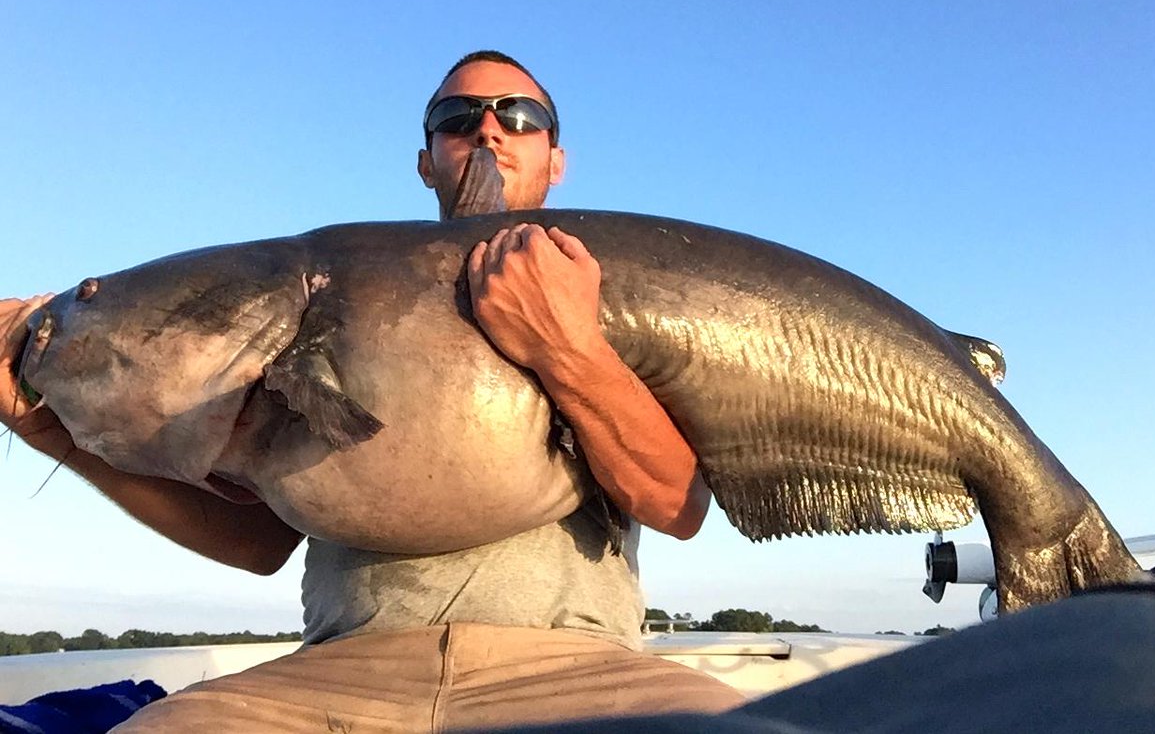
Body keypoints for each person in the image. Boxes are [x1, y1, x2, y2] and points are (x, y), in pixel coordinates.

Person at [0, 50, 745, 731]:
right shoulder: (327, 300)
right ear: (427, 162)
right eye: (458, 119)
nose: (487, 131)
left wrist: (566, 348)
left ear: (557, 157)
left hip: (575, 668)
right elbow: (260, 545)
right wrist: (47, 429)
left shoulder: (621, 298)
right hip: (337, 673)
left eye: (518, 116)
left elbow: (678, 506)